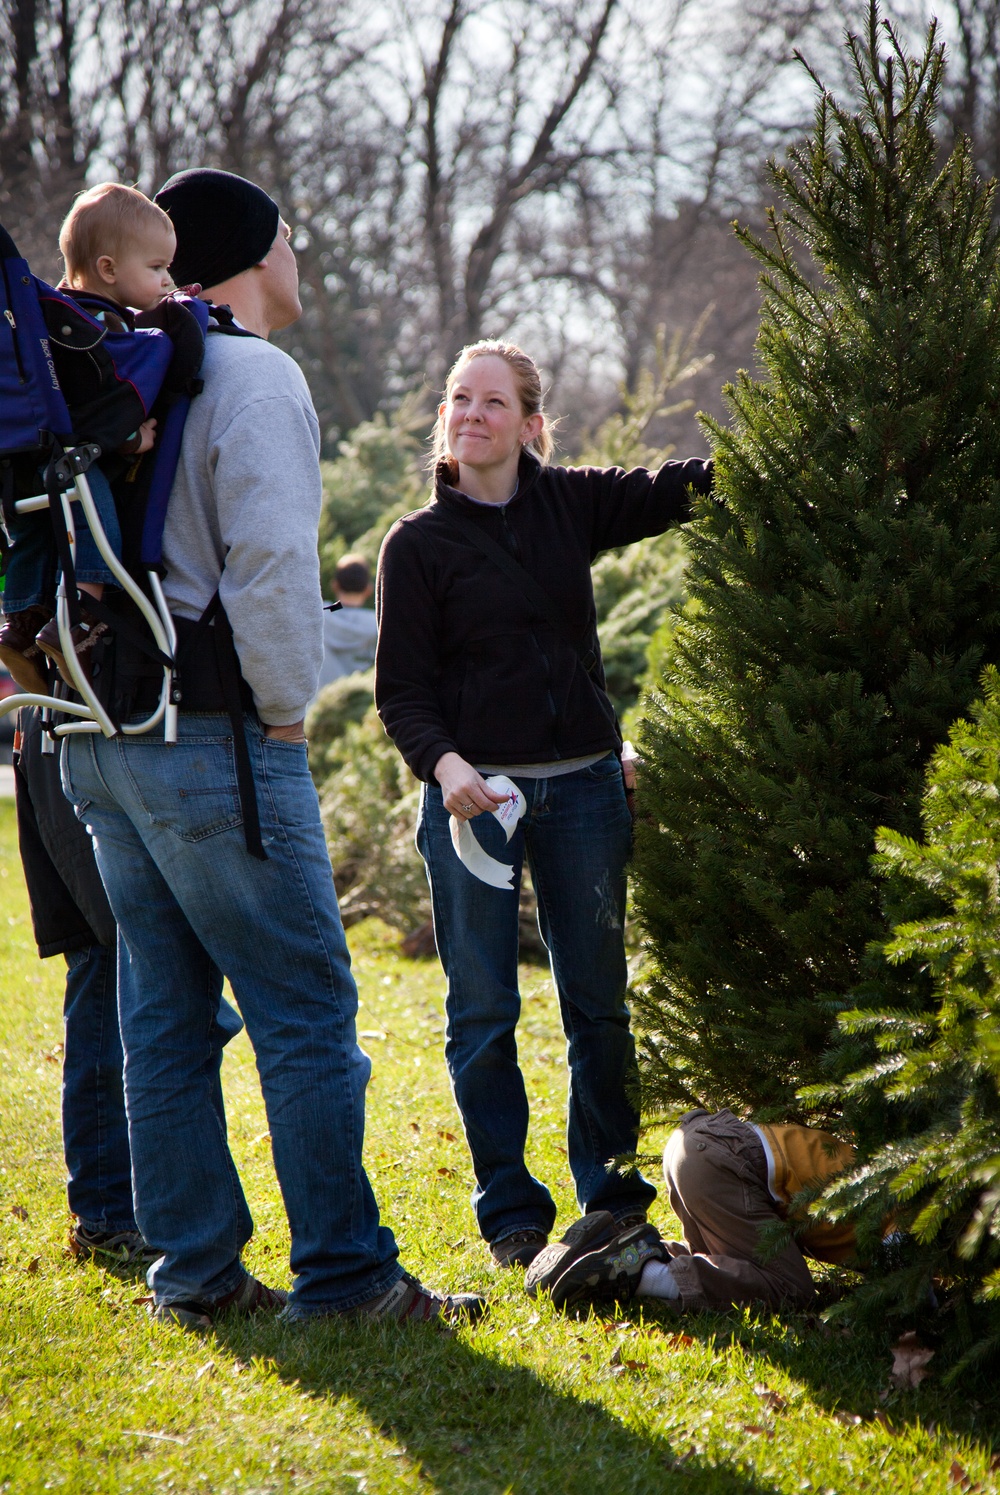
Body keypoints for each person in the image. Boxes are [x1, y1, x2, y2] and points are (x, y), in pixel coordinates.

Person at [60, 166, 484, 1329]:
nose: (301, 257)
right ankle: (346, 1279)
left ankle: (194, 1277)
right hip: (215, 738)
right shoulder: (250, 373)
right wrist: (286, 708)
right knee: (303, 1007)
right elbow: (267, 567)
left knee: (164, 1016)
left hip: (100, 739)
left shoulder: (115, 371)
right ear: (252, 254)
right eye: (290, 238)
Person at [375, 339, 714, 1269]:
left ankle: (611, 1197)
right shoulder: (416, 543)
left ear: (531, 426)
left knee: (598, 1006)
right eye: (458, 399)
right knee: (482, 1011)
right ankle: (511, 1211)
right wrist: (444, 769)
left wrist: (777, 453)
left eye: (492, 402)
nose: (471, 414)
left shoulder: (571, 503)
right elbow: (401, 690)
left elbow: (674, 485)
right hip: (473, 803)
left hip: (588, 791)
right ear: (444, 419)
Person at [14, 705, 244, 1264]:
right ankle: (112, 1214)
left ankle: (112, 1212)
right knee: (132, 987)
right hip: (84, 744)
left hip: (69, 742)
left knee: (109, 981)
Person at [0, 184, 174, 692]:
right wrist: (129, 440)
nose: (168, 280)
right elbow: (95, 404)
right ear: (109, 269)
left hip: (24, 459)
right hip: (74, 462)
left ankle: (20, 625)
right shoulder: (101, 328)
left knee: (32, 536)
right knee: (103, 537)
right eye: (157, 268)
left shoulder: (45, 317)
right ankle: (77, 621)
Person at [528, 1109, 859, 1312]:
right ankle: (640, 1276)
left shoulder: (879, 1164)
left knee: (727, 1265)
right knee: (790, 1288)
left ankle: (598, 1255)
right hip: (723, 1164)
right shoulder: (902, 1217)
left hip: (693, 1145)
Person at [315, 553, 379, 691]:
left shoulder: (318, 617)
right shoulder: (377, 624)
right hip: (360, 707)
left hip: (320, 707)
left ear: (335, 585)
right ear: (368, 590)